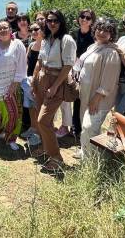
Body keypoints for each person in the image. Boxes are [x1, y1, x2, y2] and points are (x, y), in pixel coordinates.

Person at [32, 9, 77, 172]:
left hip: (56, 81)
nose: (52, 23)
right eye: (49, 20)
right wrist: (34, 80)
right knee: (44, 118)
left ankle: (56, 158)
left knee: (43, 120)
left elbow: (68, 65)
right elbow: (40, 60)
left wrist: (55, 86)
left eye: (55, 21)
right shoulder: (46, 38)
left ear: (61, 22)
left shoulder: (66, 40)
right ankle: (45, 147)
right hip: (41, 79)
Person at [73, 18, 120, 158]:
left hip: (98, 98)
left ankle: (91, 159)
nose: (102, 33)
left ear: (112, 34)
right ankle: (85, 152)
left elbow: (109, 80)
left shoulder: (111, 52)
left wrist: (97, 98)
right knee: (85, 124)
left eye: (106, 31)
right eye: (99, 29)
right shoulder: (92, 47)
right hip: (85, 94)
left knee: (89, 126)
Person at [0, 21, 27, 150]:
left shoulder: (17, 45)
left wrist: (15, 83)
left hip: (10, 84)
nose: (2, 30)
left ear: (10, 29)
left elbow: (22, 66)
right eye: (0, 28)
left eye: (5, 28)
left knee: (12, 113)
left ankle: (11, 138)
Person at [57, 9, 96, 139]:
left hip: (88, 72)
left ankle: (79, 130)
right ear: (78, 18)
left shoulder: (94, 36)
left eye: (88, 18)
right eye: (82, 16)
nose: (84, 19)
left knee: (81, 101)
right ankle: (73, 127)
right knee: (71, 97)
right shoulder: (73, 33)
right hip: (72, 70)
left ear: (92, 21)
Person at [20, 22, 44, 147]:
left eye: (36, 29)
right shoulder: (31, 45)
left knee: (38, 107)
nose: (33, 32)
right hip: (28, 81)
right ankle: (33, 128)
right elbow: (26, 62)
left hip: (40, 81)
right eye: (31, 29)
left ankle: (39, 134)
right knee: (30, 105)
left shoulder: (46, 46)